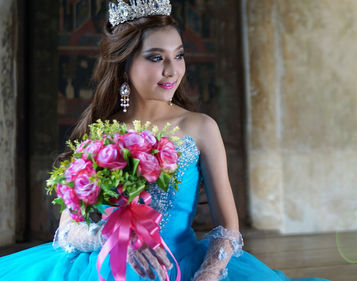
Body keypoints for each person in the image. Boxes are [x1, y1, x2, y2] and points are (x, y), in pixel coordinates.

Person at [0, 1, 329, 280]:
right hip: (104, 268)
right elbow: (67, 230)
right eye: (156, 58)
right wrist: (113, 237)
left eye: (179, 55)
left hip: (183, 268)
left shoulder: (200, 127)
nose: (173, 70)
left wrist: (208, 274)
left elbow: (228, 229)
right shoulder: (100, 130)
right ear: (125, 63)